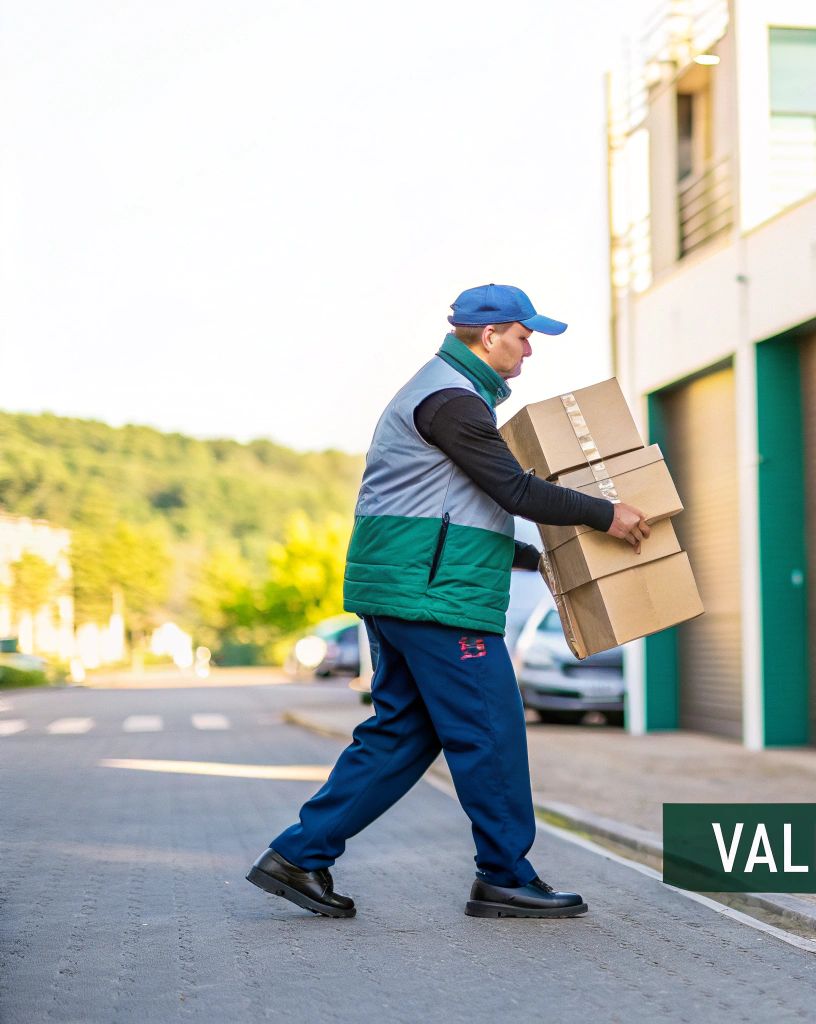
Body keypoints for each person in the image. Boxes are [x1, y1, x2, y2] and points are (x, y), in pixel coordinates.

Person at [247, 284, 651, 920]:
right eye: (524, 336)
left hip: (410, 588)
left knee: (401, 735)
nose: (529, 349)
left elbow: (461, 511)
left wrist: (533, 560)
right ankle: (505, 876)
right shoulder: (451, 402)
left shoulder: (447, 396)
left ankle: (300, 856)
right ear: (488, 336)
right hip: (435, 600)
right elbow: (515, 491)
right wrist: (607, 515)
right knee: (491, 730)